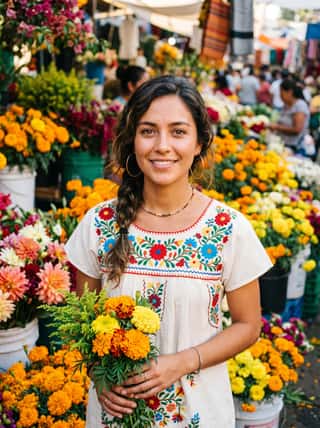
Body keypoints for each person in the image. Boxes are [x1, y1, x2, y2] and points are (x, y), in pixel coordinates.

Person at [65, 76, 273, 427]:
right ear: (132, 141)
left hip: (198, 412)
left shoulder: (228, 229)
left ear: (199, 143)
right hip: (115, 414)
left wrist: (183, 361)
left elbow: (249, 325)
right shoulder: (99, 224)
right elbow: (79, 322)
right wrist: (99, 376)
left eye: (178, 132)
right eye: (148, 131)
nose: (162, 145)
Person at [268, 78, 310, 152]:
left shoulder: (300, 105)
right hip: (283, 144)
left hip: (293, 147)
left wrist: (277, 127)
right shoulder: (286, 105)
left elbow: (297, 129)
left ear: (289, 92)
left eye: (281, 92)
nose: (280, 95)